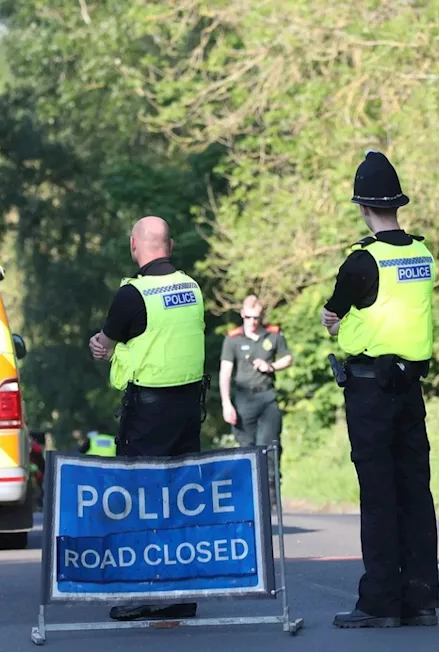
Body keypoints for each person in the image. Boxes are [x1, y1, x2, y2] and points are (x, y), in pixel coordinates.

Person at [320, 150, 439, 630]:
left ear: (363, 208)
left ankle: (380, 602)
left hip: (370, 390)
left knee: (379, 494)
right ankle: (422, 600)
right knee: (415, 491)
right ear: (397, 204)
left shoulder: (362, 262)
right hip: (411, 389)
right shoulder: (421, 254)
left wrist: (334, 323)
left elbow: (335, 313)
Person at [88, 215, 207, 622]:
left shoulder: (132, 295)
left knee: (143, 500)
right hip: (190, 409)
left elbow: (106, 343)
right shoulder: (191, 288)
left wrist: (101, 348)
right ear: (169, 247)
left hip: (149, 411)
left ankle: (145, 592)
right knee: (182, 500)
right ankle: (182, 594)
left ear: (134, 246)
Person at [219, 294, 292, 490]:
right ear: (242, 314)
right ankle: (249, 491)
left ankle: (271, 490)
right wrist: (226, 403)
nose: (252, 322)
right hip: (243, 398)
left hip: (267, 396)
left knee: (270, 445)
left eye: (256, 317)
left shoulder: (273, 334)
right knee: (246, 447)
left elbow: (288, 358)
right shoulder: (233, 339)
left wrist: (271, 366)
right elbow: (225, 373)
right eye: (249, 317)